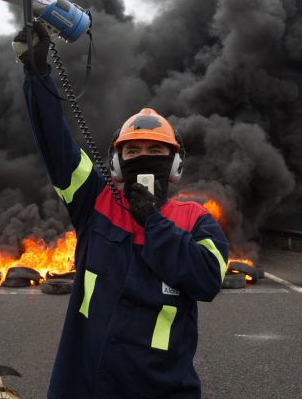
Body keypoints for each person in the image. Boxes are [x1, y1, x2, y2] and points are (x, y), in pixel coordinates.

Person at [18, 24, 229, 399]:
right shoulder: (94, 201)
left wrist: (154, 222)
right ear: (116, 163)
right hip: (86, 386)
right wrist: (37, 72)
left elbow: (206, 280)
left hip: (164, 391)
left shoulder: (197, 220)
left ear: (175, 165)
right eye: (132, 152)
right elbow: (55, 144)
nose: (143, 159)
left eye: (155, 151)